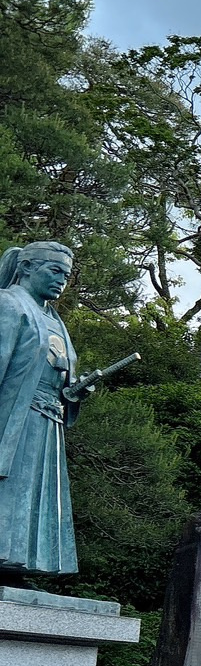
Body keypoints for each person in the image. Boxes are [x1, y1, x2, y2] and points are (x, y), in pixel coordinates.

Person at [0, 241, 80, 576]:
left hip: (48, 424)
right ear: (28, 267)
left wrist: (74, 392)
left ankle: (19, 567)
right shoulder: (8, 304)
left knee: (36, 499)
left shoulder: (55, 319)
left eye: (67, 274)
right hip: (15, 420)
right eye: (55, 270)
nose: (61, 280)